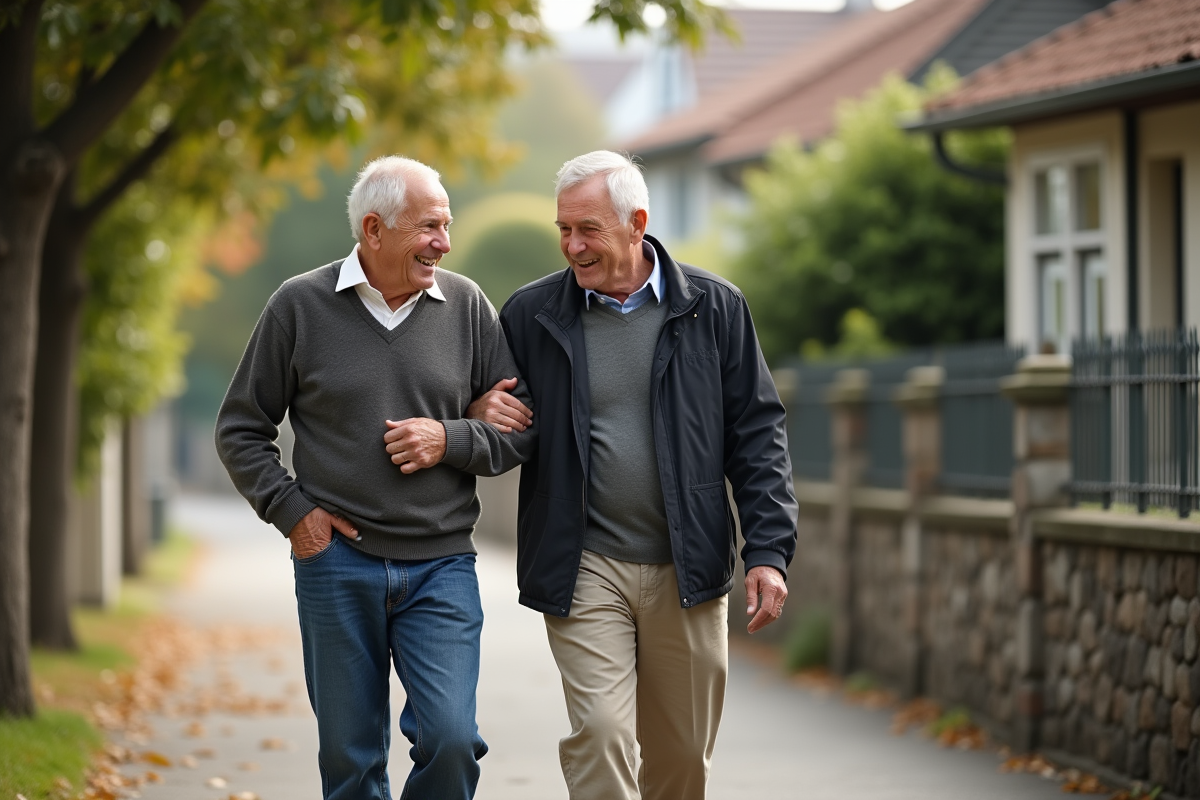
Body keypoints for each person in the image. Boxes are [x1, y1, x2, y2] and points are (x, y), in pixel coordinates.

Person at [467, 150, 798, 800]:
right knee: (601, 735)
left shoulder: (715, 309)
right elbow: (507, 428)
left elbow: (758, 436)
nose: (572, 244)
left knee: (681, 758)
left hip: (690, 564)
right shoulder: (532, 315)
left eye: (587, 228)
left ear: (637, 222)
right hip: (585, 563)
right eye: (563, 229)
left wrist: (768, 552)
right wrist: (481, 411)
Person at [215, 155, 533, 800]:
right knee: (352, 763)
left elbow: (519, 429)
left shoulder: (467, 305)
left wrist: (450, 437)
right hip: (337, 565)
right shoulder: (299, 306)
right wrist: (292, 510)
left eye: (446, 225)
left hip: (441, 564)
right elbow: (240, 428)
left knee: (451, 741)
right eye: (427, 228)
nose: (444, 242)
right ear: (374, 230)